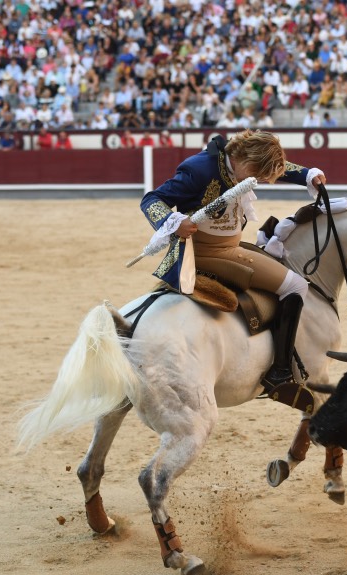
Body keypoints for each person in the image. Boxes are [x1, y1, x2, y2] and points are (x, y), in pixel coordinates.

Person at [138, 131, 327, 406]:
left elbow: (276, 168)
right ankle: (280, 372)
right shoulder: (198, 169)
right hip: (205, 253)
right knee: (296, 285)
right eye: (256, 172)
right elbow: (152, 199)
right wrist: (172, 221)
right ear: (241, 157)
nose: (258, 180)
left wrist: (307, 174)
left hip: (231, 247)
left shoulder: (241, 163)